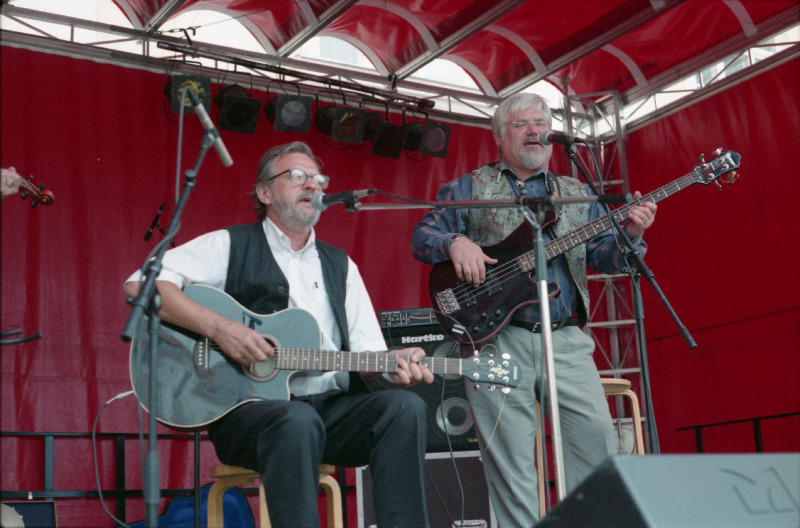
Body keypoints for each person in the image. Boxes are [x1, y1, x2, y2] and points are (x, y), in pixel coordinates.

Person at [125, 141, 433, 528]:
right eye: (297, 176)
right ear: (265, 192)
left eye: (318, 179)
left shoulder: (341, 266)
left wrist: (386, 366)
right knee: (296, 419)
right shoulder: (230, 244)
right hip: (249, 417)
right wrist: (222, 328)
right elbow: (141, 284)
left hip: (328, 413)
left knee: (405, 409)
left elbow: (366, 353)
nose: (312, 186)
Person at [411, 93, 657, 525]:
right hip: (495, 340)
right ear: (500, 137)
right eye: (522, 123)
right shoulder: (469, 188)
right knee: (512, 470)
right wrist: (454, 242)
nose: (534, 130)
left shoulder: (577, 193)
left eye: (541, 122)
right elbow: (422, 235)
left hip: (566, 339)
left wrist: (631, 232)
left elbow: (608, 258)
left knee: (597, 443)